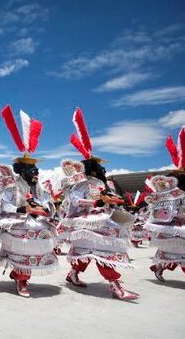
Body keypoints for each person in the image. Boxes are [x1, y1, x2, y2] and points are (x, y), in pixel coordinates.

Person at [60, 108, 138, 300]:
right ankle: (114, 285)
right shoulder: (81, 183)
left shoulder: (104, 183)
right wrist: (96, 201)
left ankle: (73, 274)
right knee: (104, 251)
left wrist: (112, 202)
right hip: (87, 221)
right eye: (98, 167)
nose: (102, 169)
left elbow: (108, 200)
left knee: (91, 252)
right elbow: (75, 201)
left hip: (102, 218)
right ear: (92, 169)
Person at [0, 105, 58, 298]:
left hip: (37, 221)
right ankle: (22, 280)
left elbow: (49, 203)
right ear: (22, 172)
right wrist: (23, 208)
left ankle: (20, 275)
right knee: (24, 243)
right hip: (19, 222)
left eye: (37, 170)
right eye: (32, 170)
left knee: (40, 238)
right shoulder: (12, 187)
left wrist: (45, 208)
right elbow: (4, 206)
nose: (36, 173)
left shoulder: (40, 188)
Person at [145, 126, 185, 281]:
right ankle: (159, 266)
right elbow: (162, 211)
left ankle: (159, 266)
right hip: (173, 226)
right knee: (177, 252)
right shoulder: (169, 193)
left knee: (176, 253)